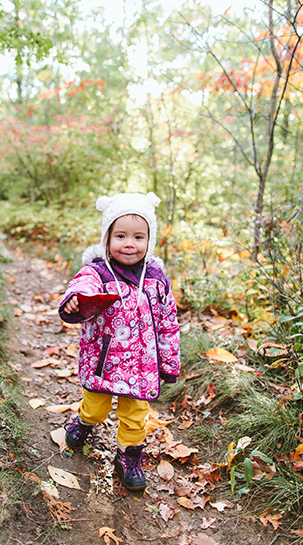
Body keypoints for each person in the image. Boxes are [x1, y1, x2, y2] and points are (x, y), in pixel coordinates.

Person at [58, 192, 180, 491]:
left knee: (136, 415)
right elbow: (83, 283)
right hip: (105, 362)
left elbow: (168, 322)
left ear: (149, 241)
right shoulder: (98, 271)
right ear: (107, 238)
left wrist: (169, 362)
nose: (129, 243)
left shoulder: (157, 279)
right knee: (96, 408)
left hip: (142, 365)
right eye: (121, 236)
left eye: (139, 237)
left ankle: (128, 455)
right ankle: (83, 422)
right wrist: (77, 299)